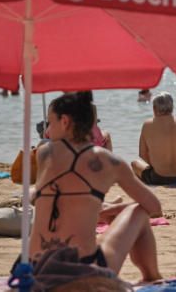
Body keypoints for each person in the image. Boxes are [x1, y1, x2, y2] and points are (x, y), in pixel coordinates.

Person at [27, 91, 163, 282]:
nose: (47, 131)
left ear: (65, 122)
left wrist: (101, 211)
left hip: (37, 267)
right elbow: (154, 208)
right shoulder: (109, 161)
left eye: (50, 123)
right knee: (138, 211)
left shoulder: (44, 153)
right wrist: (111, 210)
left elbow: (60, 199)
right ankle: (152, 277)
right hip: (84, 270)